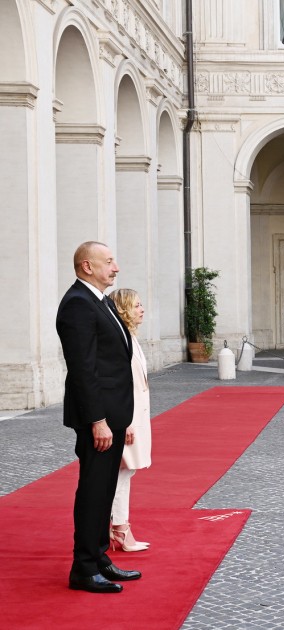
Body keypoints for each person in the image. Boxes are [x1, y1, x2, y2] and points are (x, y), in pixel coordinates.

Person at [56, 241, 141, 593]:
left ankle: (100, 558)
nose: (116, 267)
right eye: (109, 262)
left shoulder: (99, 301)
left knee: (105, 490)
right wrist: (97, 420)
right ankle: (83, 568)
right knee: (93, 491)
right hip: (99, 419)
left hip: (113, 415)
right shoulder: (78, 304)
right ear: (87, 266)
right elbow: (83, 369)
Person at [107, 289, 152, 553]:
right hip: (128, 418)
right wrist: (126, 423)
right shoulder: (120, 340)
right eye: (136, 305)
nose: (142, 309)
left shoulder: (131, 337)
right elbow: (120, 385)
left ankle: (119, 528)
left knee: (126, 471)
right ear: (123, 309)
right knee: (121, 473)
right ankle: (120, 530)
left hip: (137, 416)